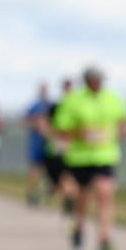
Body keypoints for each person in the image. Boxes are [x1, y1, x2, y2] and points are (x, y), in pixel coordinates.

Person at [54, 66, 126, 250]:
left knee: (105, 194)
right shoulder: (73, 101)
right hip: (80, 157)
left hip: (105, 156)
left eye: (99, 80)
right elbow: (62, 130)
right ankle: (79, 226)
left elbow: (122, 122)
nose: (97, 83)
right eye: (93, 80)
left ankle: (104, 239)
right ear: (86, 81)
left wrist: (120, 133)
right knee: (83, 198)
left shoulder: (113, 98)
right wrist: (80, 134)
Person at [42, 78, 78, 216]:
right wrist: (53, 135)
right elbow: (46, 124)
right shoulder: (56, 106)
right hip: (58, 147)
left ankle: (69, 200)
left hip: (72, 148)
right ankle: (67, 197)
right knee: (62, 176)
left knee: (68, 176)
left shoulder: (77, 106)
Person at [24, 83, 51, 207]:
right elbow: (25, 122)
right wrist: (36, 123)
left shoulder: (51, 106)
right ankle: (32, 193)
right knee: (35, 170)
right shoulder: (34, 106)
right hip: (37, 143)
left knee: (49, 173)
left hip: (50, 144)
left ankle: (40, 194)